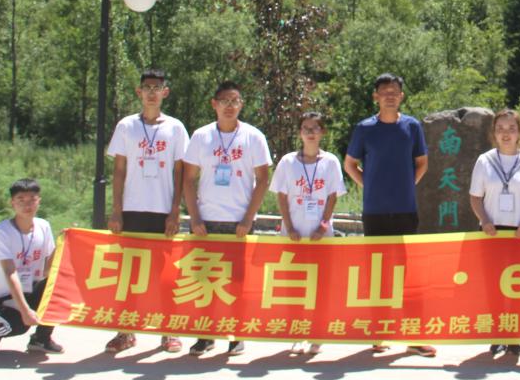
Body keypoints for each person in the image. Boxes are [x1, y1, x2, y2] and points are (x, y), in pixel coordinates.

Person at [343, 72, 435, 357]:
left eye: (395, 91)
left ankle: (414, 336)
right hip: (375, 211)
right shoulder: (364, 128)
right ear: (376, 96)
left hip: (406, 210)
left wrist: (407, 185)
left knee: (409, 274)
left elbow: (422, 163)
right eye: (384, 92)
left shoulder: (412, 126)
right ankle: (379, 332)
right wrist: (368, 184)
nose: (390, 96)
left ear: (402, 96)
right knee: (378, 273)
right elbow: (350, 164)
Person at [182, 80, 272, 356]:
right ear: (214, 104)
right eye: (224, 101)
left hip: (238, 222)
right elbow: (188, 178)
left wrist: (248, 218)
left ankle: (237, 334)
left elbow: (263, 179)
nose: (229, 106)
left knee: (237, 282)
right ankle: (205, 335)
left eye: (235, 101)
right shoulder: (201, 136)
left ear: (241, 104)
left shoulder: (253, 136)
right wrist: (194, 217)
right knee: (204, 280)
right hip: (206, 221)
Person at [103, 67, 190, 355]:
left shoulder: (175, 128)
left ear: (165, 92)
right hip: (131, 210)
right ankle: (125, 332)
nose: (152, 93)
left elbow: (180, 172)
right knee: (129, 274)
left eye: (157, 88)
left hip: (162, 211)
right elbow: (119, 171)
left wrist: (175, 211)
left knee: (165, 275)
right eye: (147, 88)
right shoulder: (126, 126)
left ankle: (168, 332)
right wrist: (116, 210)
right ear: (139, 92)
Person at [469, 108, 520, 358]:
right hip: (492, 232)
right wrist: (484, 220)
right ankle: (498, 334)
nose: (506, 134)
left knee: (518, 286)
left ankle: (514, 335)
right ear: (493, 133)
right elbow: (475, 197)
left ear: (519, 132)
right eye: (500, 129)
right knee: (494, 285)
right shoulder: (485, 161)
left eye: (511, 128)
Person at [271, 111, 344, 355]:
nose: (310, 132)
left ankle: (317, 332)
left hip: (320, 236)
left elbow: (332, 195)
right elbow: (282, 195)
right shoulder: (287, 162)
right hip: (294, 234)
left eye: (315, 128)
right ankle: (297, 331)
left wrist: (323, 225)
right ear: (299, 132)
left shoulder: (330, 162)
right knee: (294, 285)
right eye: (305, 128)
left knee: (320, 285)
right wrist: (289, 226)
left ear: (323, 132)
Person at [0, 179, 63, 355]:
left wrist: (63, 243)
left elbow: (47, 270)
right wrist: (25, 311)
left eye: (32, 199)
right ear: (12, 203)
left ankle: (41, 339)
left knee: (58, 285)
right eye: (21, 200)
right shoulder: (1, 231)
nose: (27, 205)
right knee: (18, 326)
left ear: (39, 201)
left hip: (29, 291)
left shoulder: (43, 226)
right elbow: (10, 272)